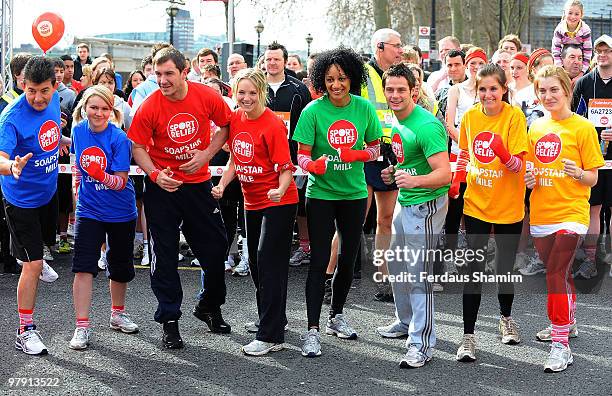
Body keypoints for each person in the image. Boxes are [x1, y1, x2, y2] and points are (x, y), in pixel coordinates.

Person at [127, 46, 232, 349]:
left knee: (215, 249)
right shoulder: (149, 106)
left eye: (169, 73)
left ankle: (209, 306)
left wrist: (206, 154)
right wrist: (155, 175)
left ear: (185, 72)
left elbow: (226, 125)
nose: (162, 80)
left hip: (198, 185)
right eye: (158, 74)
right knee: (165, 254)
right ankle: (169, 320)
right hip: (163, 190)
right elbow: (138, 147)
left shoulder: (205, 95)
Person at [292, 47, 382, 357]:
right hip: (320, 195)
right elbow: (301, 154)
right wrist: (310, 165)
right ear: (321, 81)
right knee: (319, 262)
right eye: (330, 79)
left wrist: (358, 154)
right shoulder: (313, 111)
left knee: (347, 258)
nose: (336, 85)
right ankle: (312, 329)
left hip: (354, 194)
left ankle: (336, 316)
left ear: (352, 78)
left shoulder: (363, 108)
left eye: (342, 78)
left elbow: (376, 149)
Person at [213, 68, 298, 356]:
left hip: (279, 202)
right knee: (259, 267)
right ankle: (273, 320)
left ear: (262, 93)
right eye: (241, 93)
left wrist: (279, 189)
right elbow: (236, 160)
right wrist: (223, 185)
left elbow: (286, 168)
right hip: (252, 202)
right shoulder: (235, 118)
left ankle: (271, 335)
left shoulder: (272, 124)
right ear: (234, 93)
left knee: (268, 263)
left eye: (252, 93)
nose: (246, 98)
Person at [526, 65, 603, 372]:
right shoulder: (536, 128)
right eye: (542, 91)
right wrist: (528, 178)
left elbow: (593, 178)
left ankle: (561, 345)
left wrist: (579, 173)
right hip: (542, 212)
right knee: (561, 272)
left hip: (572, 213)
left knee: (555, 273)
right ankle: (567, 323)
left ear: (567, 91)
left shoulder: (583, 128)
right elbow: (530, 170)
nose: (548, 96)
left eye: (553, 90)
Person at [376, 62, 451, 368]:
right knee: (396, 263)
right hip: (406, 202)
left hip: (427, 205)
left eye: (401, 90)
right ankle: (406, 321)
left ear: (415, 91)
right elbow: (412, 162)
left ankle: (421, 343)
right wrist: (394, 172)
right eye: (390, 89)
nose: (395, 95)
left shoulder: (427, 125)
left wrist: (415, 181)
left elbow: (444, 174)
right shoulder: (396, 121)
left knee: (419, 274)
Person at [454, 64, 528, 362]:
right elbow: (463, 153)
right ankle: (468, 336)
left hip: (508, 205)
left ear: (503, 89)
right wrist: (457, 182)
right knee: (473, 269)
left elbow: (519, 165)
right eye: (482, 89)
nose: (488, 95)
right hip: (477, 203)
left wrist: (504, 154)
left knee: (505, 266)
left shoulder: (514, 117)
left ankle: (506, 317)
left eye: (493, 89)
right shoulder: (470, 116)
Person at [0, 56, 71, 355]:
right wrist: (11, 166)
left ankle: (27, 255)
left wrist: (64, 140)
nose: (38, 98)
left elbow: (50, 133)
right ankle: (24, 330)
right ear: (22, 85)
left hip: (48, 192)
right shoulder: (11, 117)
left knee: (40, 250)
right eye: (31, 91)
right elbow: (0, 157)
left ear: (55, 86)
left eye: (43, 90)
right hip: (21, 200)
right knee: (33, 265)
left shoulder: (54, 103)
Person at [68, 85, 139, 350]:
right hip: (89, 210)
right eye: (94, 107)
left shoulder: (119, 138)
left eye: (104, 108)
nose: (98, 113)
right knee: (83, 266)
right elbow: (77, 165)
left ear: (112, 111)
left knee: (119, 266)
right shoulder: (77, 131)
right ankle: (82, 326)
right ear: (85, 108)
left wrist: (100, 175)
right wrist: (77, 191)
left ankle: (117, 314)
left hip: (121, 211)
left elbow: (121, 182)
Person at [262, 42, 312, 271]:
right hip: (260, 157)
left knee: (297, 204)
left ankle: (302, 246)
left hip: (292, 157)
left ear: (284, 62)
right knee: (265, 204)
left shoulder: (298, 89)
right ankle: (267, 249)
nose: (272, 63)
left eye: (276, 59)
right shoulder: (255, 84)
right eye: (268, 59)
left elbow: (308, 124)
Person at [571, 34, 612, 280]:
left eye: (608, 50)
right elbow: (574, 119)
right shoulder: (585, 83)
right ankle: (590, 259)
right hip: (592, 158)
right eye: (600, 50)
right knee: (593, 210)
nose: (603, 54)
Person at [552, 0, 592, 73]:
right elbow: (556, 51)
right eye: (570, 13)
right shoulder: (559, 29)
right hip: (564, 63)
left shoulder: (585, 30)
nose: (573, 17)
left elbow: (588, 52)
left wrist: (582, 71)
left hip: (580, 64)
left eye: (576, 14)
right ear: (564, 13)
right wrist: (560, 68)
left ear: (581, 15)